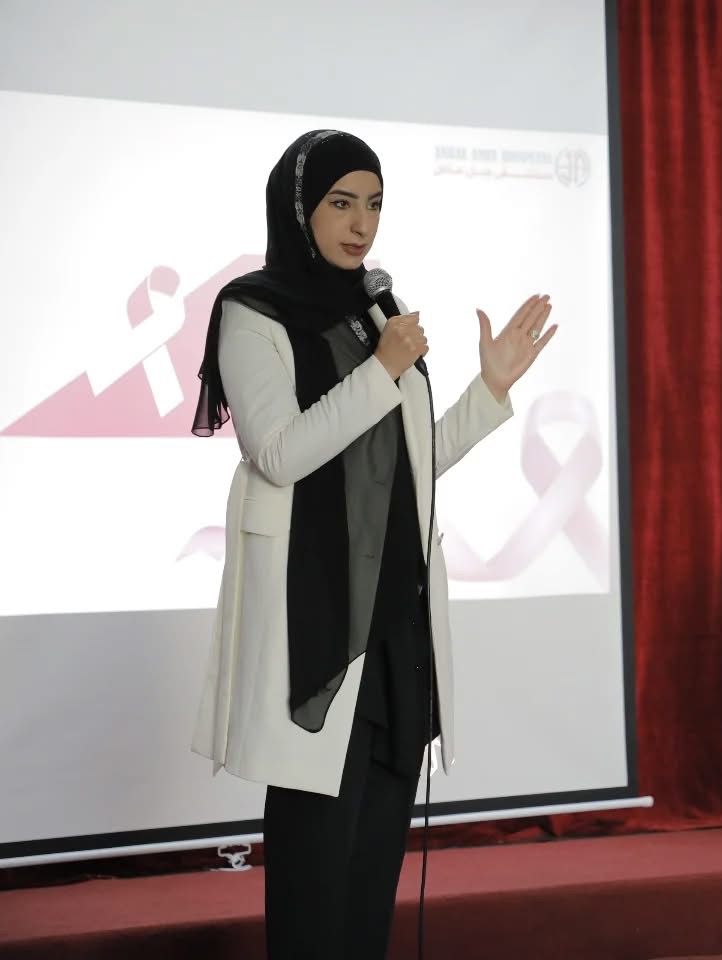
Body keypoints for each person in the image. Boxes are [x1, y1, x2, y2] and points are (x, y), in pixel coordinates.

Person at [190, 129, 556, 959]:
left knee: (367, 900)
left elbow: (415, 460)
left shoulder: (376, 309)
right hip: (319, 628)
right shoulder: (253, 312)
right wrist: (382, 370)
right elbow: (277, 452)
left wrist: (488, 389)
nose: (362, 224)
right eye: (341, 202)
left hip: (393, 626)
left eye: (376, 203)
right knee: (315, 892)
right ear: (299, 207)